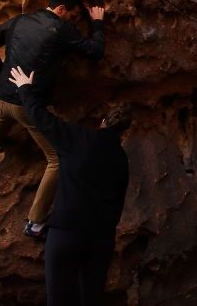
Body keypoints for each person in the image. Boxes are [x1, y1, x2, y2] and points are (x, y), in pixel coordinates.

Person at [0, 0, 105, 239]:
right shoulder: (61, 29)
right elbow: (95, 52)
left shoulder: (20, 20)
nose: (74, 21)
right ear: (61, 9)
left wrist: (3, 73)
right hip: (28, 106)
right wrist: (97, 23)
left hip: (2, 98)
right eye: (73, 16)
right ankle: (35, 222)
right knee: (57, 159)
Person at [8, 66, 130, 306]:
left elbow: (42, 118)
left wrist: (25, 89)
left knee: (59, 298)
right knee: (91, 298)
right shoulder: (121, 159)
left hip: (65, 232)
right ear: (123, 132)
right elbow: (118, 203)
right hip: (100, 238)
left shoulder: (78, 139)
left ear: (103, 121)